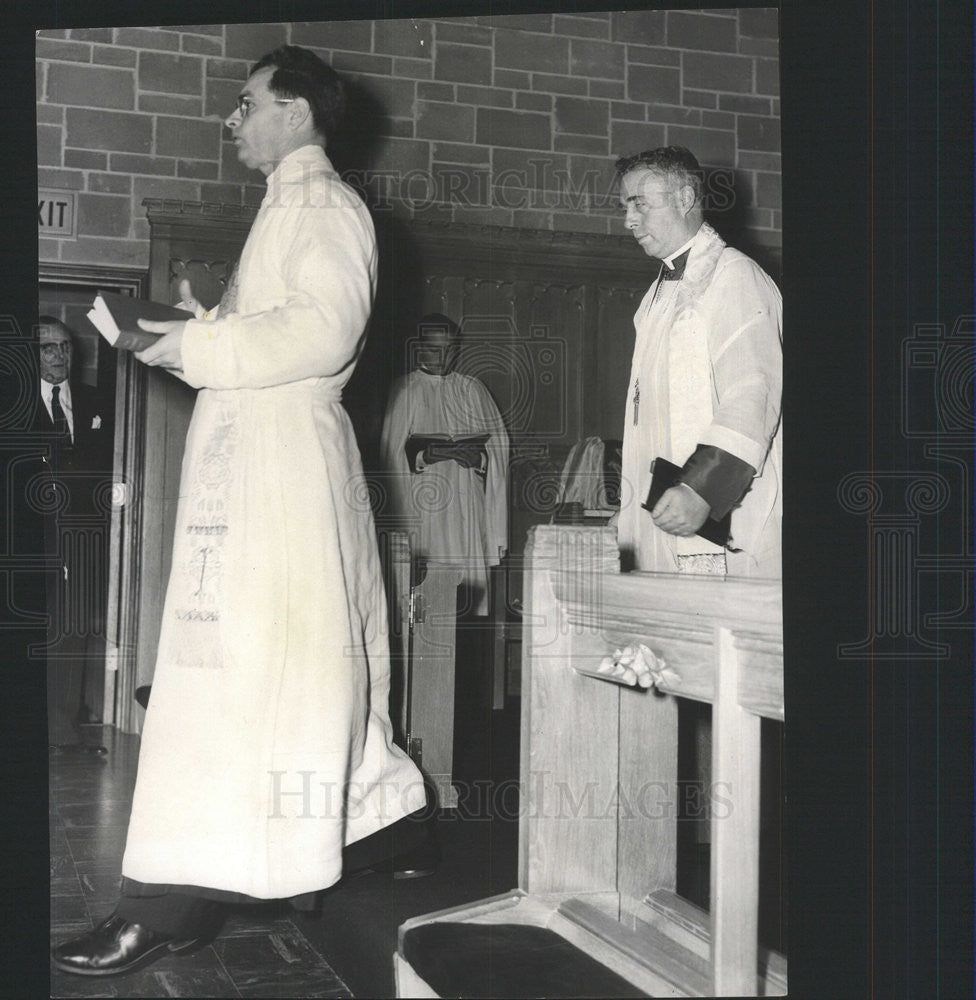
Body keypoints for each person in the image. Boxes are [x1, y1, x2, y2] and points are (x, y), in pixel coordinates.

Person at [53, 45, 430, 979]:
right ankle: (352, 839)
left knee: (249, 689)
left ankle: (169, 902)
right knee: (240, 684)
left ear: (298, 113)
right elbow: (274, 332)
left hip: (284, 471)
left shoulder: (326, 204)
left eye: (247, 102)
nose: (233, 118)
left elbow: (324, 330)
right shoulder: (285, 204)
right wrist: (197, 329)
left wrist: (197, 338)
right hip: (252, 464)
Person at [615, 146, 782, 579]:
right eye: (625, 207)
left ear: (685, 199)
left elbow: (753, 389)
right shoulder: (656, 295)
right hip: (667, 508)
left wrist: (701, 488)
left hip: (721, 507)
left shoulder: (733, 275)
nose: (628, 221)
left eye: (640, 204)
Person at [379, 314, 509, 617]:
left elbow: (498, 449)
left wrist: (478, 459)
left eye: (450, 349)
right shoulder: (406, 389)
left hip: (467, 507)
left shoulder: (473, 390)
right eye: (435, 349)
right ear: (420, 349)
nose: (444, 357)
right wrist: (428, 455)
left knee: (469, 595)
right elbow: (390, 454)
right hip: (427, 507)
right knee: (429, 601)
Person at [35, 317, 113, 754]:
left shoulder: (95, 401)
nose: (59, 355)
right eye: (48, 348)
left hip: (81, 539)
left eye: (64, 347)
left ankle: (62, 730)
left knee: (73, 628)